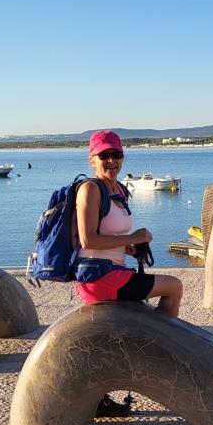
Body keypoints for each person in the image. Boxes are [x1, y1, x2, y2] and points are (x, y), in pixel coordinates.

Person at [74, 130, 183, 317]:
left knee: (170, 286)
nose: (112, 160)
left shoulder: (120, 190)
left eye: (117, 154)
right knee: (174, 286)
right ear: (92, 160)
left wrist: (129, 249)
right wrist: (133, 237)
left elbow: (108, 235)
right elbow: (88, 241)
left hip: (114, 271)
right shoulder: (90, 189)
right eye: (104, 155)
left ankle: (154, 331)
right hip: (98, 277)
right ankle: (159, 334)